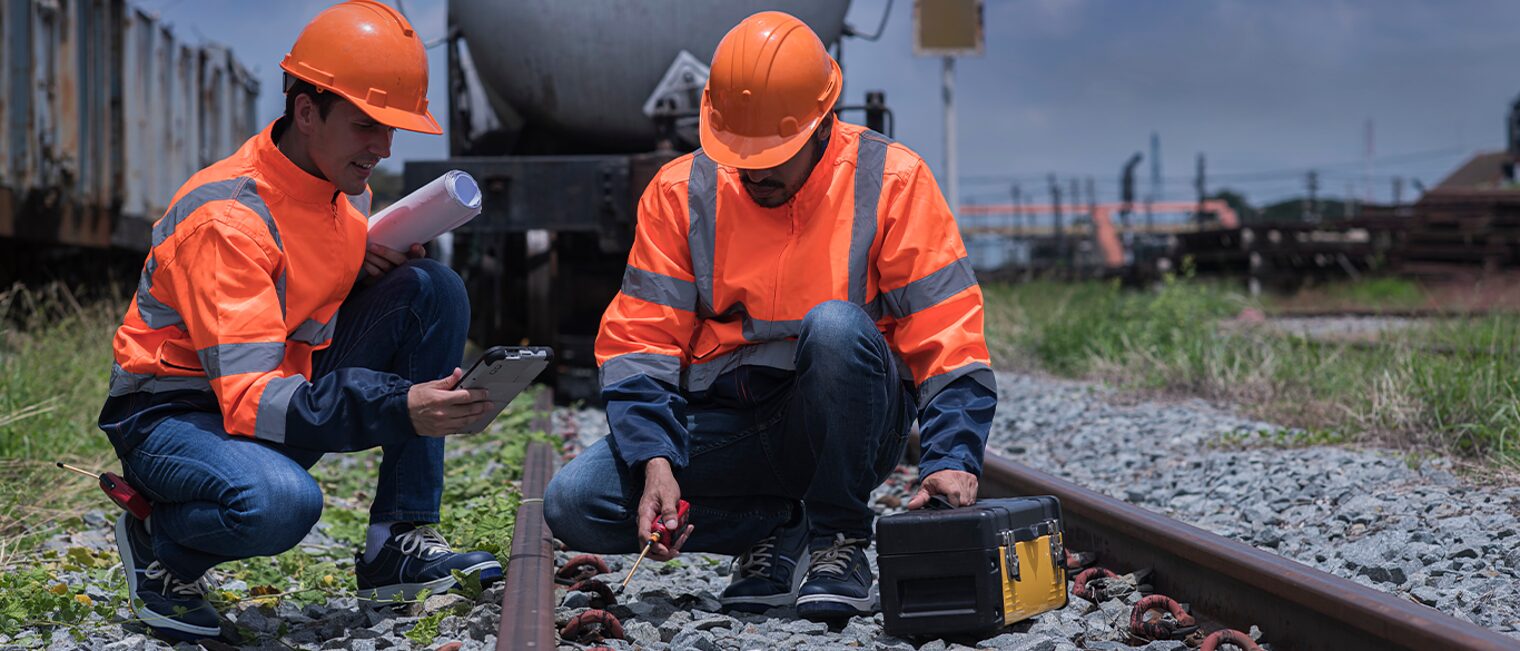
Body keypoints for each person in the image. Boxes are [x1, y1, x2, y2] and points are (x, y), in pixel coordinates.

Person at [543, 11, 997, 620]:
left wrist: (952, 460)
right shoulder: (681, 193)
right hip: (730, 422)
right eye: (742, 153)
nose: (755, 170)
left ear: (821, 125)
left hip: (849, 422)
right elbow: (641, 344)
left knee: (834, 326)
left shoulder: (892, 179)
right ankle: (780, 527)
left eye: (772, 154)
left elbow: (948, 333)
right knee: (575, 503)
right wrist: (656, 461)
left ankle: (838, 537)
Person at [98, 1, 498, 639]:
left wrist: (367, 252)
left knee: (430, 287)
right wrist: (400, 403)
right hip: (173, 415)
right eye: (367, 124)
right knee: (282, 504)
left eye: (391, 129)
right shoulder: (227, 220)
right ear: (307, 111)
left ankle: (397, 539)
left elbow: (302, 268)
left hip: (269, 388)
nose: (383, 147)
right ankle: (159, 544)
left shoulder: (345, 195)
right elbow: (253, 398)